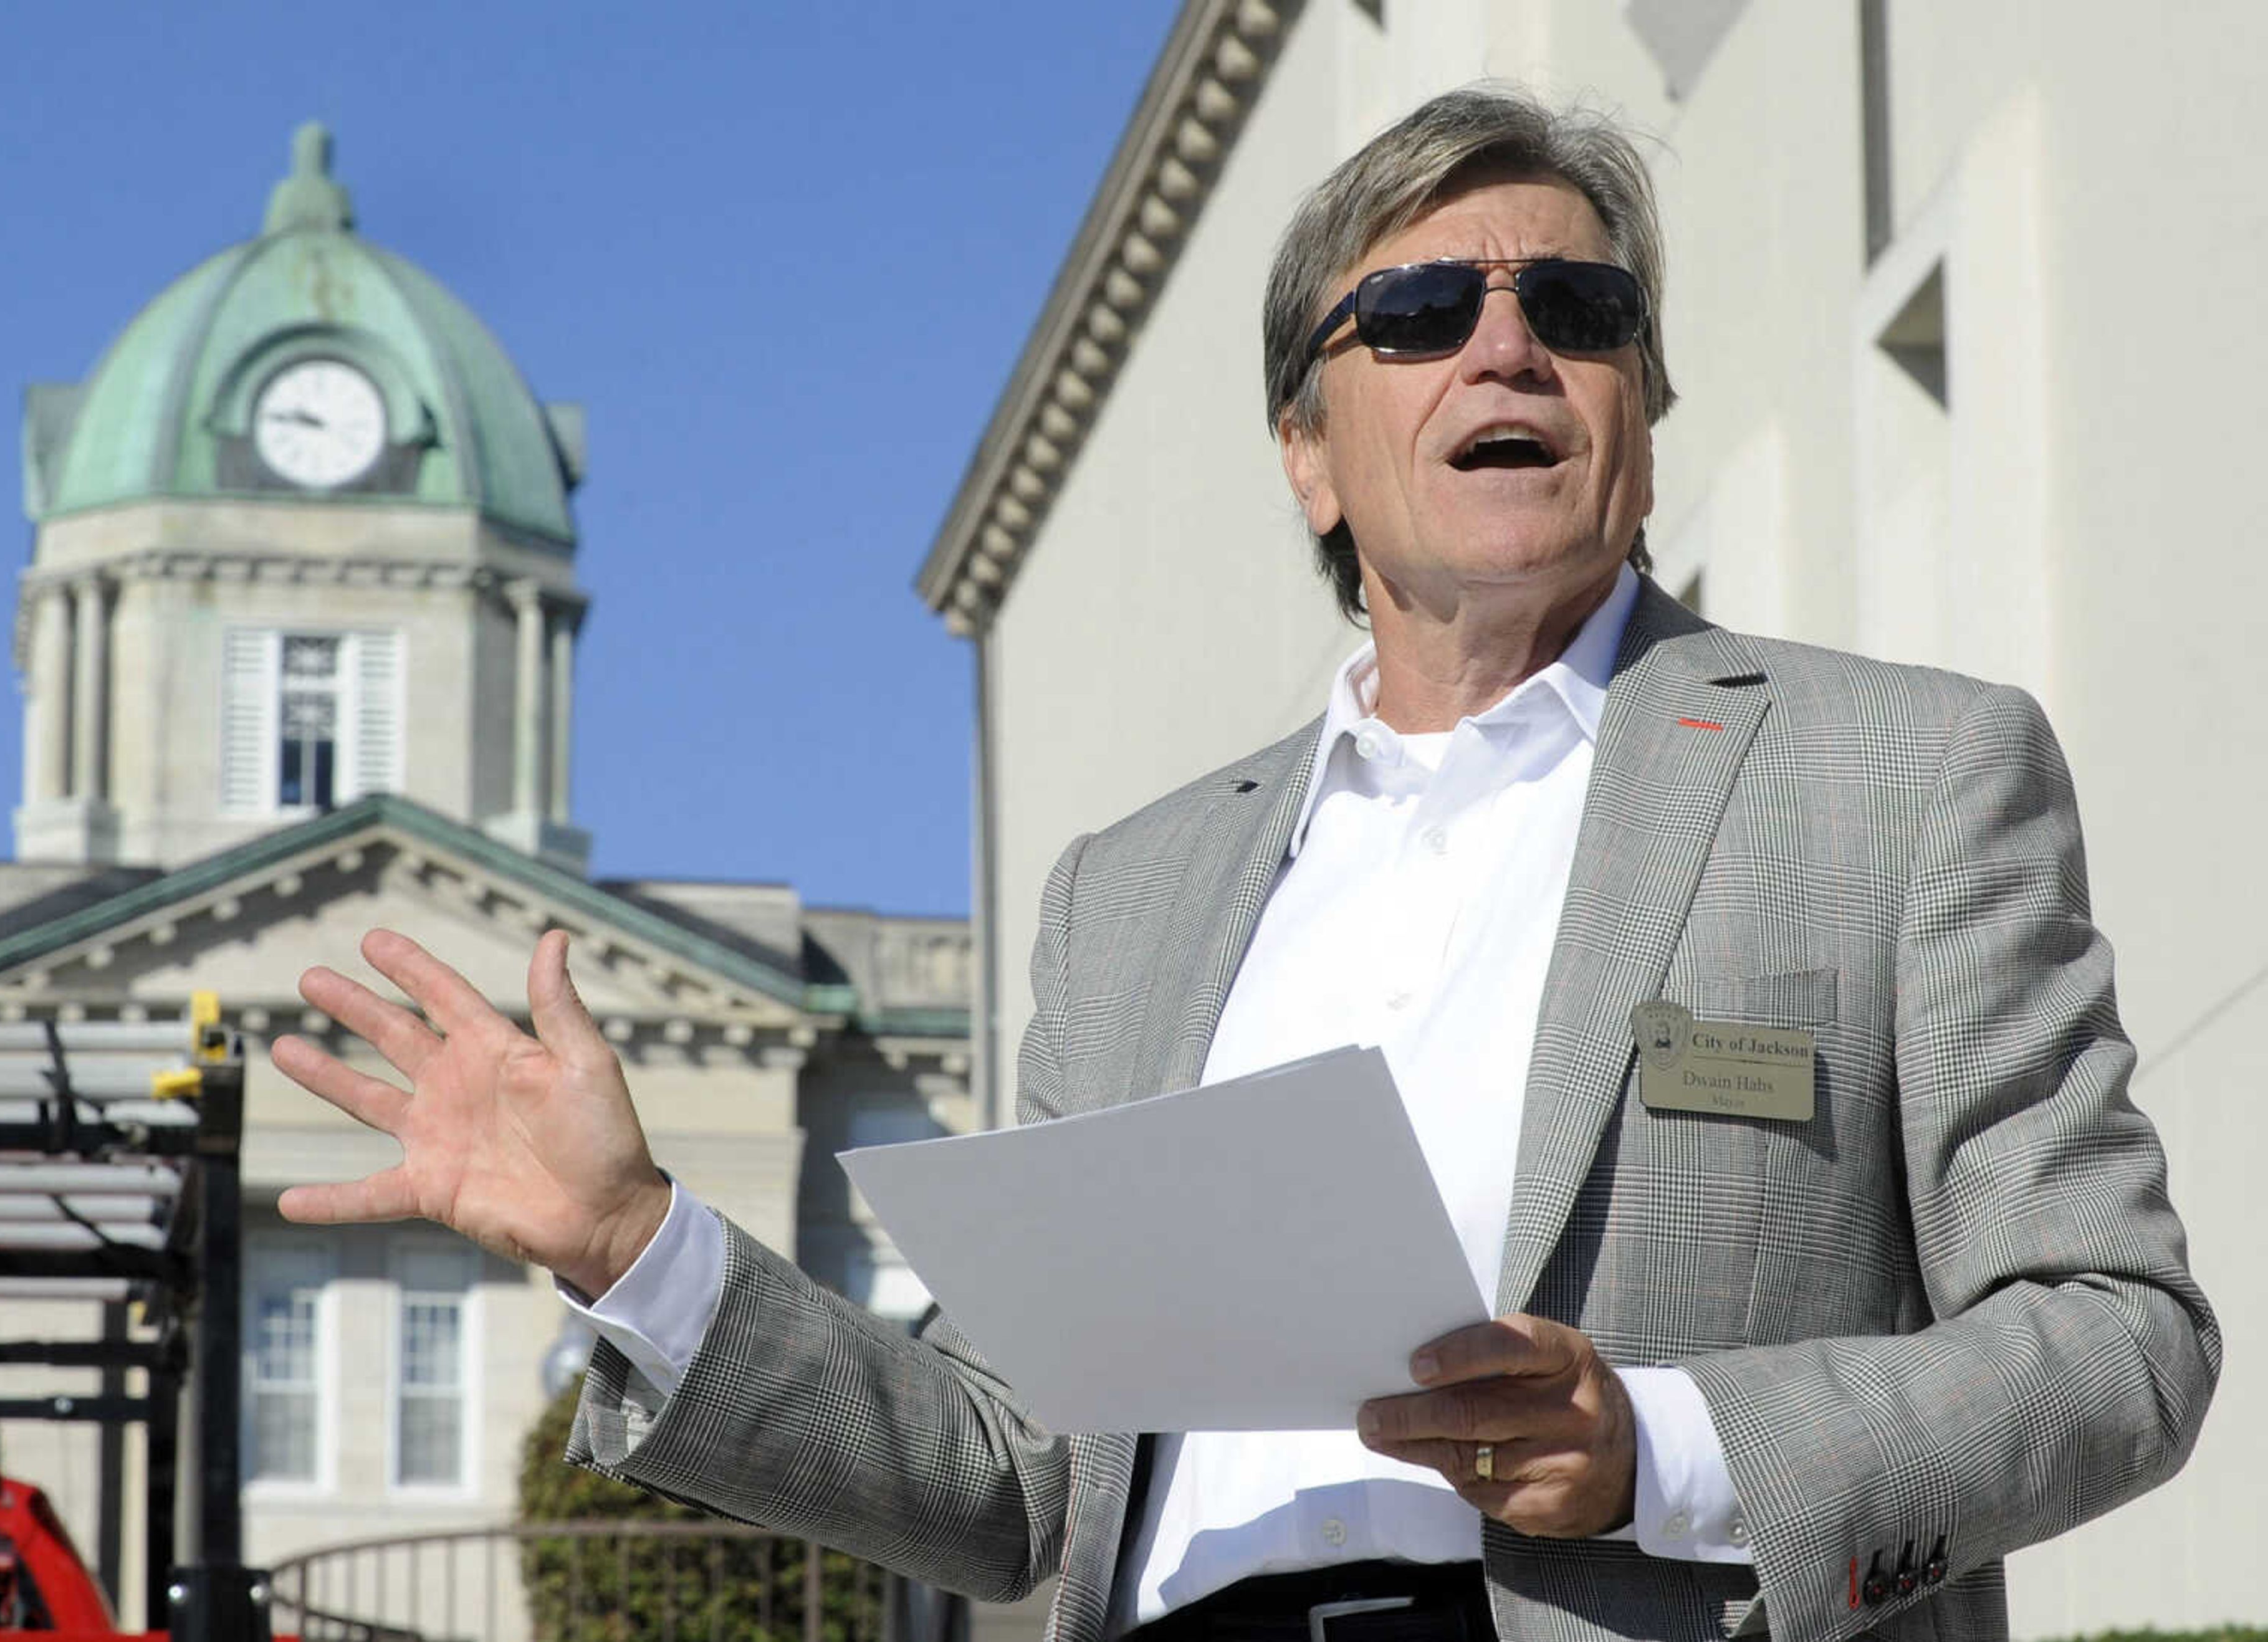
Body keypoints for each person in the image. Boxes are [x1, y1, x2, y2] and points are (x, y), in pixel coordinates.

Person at [274, 85, 2217, 1642]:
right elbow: (1015, 1473)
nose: (1510, 347)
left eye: (1581, 307)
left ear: (1645, 403)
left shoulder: (1899, 773)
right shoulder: (1131, 898)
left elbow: (2118, 1332)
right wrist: (642, 1250)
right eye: (1425, 314)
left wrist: (1662, 1443)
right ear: (1311, 448)